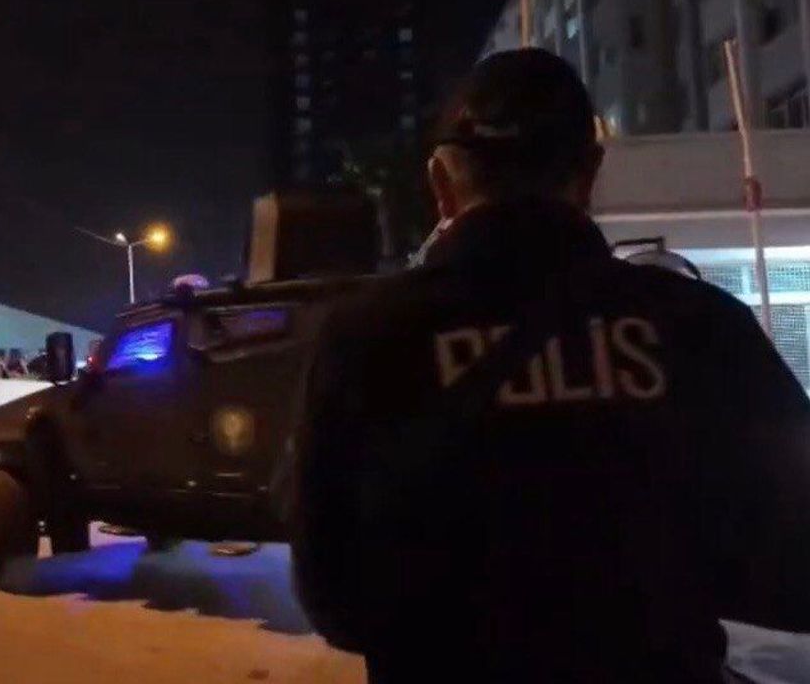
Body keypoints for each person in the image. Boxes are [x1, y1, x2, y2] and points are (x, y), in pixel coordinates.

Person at [291, 48, 810, 683]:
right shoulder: (699, 325)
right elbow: (793, 565)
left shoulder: (366, 338)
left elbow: (336, 596)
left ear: (442, 184)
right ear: (589, 173)